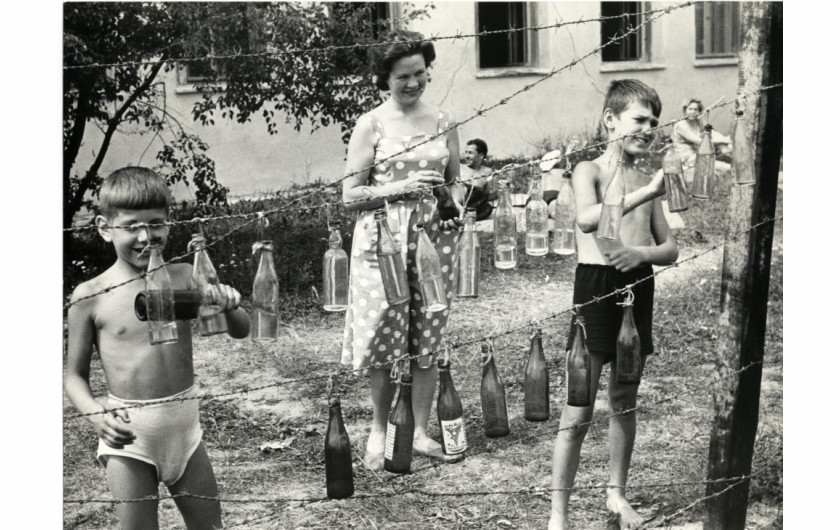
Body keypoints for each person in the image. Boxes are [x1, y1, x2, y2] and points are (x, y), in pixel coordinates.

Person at [65, 167, 251, 530]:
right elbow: (73, 377)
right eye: (131, 225)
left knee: (210, 527)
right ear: (104, 228)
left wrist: (230, 304)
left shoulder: (183, 278)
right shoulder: (91, 296)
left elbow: (241, 331)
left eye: (156, 224)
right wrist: (95, 415)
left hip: (186, 434)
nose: (145, 236)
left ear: (168, 224)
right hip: (130, 438)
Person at [549, 80, 679, 530]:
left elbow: (671, 249)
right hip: (597, 287)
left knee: (624, 396)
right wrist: (644, 193)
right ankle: (558, 513)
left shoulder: (649, 178)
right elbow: (587, 219)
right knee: (579, 405)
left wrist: (640, 254)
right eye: (639, 120)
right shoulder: (590, 170)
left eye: (654, 122)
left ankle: (616, 495)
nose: (648, 129)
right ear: (611, 120)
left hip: (636, 286)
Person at [341, 29, 465, 470]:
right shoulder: (371, 124)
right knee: (383, 333)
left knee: (428, 334)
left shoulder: (443, 120)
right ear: (384, 78)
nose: (413, 83)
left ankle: (419, 430)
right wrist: (401, 187)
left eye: (420, 73)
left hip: (432, 239)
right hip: (382, 240)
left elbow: (453, 180)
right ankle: (379, 430)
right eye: (402, 77)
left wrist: (456, 207)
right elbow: (350, 194)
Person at [671, 98, 732, 183]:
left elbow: (712, 133)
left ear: (699, 111)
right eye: (690, 109)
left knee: (720, 140)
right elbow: (700, 142)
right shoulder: (681, 125)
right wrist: (725, 140)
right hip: (686, 158)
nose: (693, 112)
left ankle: (730, 153)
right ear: (685, 110)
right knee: (726, 168)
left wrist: (724, 142)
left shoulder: (698, 122)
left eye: (696, 109)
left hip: (697, 154)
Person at [460, 138, 496, 220]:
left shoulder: (487, 172)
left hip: (472, 207)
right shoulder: (459, 168)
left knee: (487, 208)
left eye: (470, 153)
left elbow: (487, 195)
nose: (466, 156)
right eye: (466, 152)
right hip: (456, 205)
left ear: (481, 155)